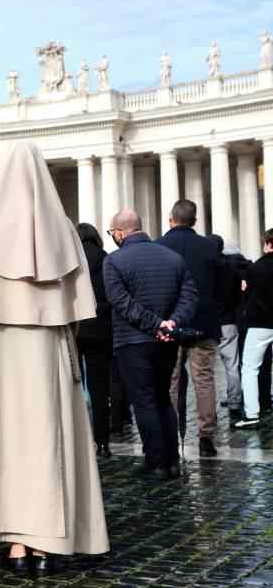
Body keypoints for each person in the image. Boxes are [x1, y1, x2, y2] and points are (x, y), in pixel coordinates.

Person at [0, 142, 108, 575]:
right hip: (46, 348)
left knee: (0, 441)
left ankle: (12, 541)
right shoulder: (61, 229)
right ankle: (46, 540)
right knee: (46, 439)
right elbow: (76, 307)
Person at [103, 209, 198, 479]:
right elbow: (189, 296)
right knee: (162, 399)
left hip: (133, 341)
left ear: (120, 232)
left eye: (113, 233)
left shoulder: (114, 261)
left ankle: (156, 462)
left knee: (144, 402)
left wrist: (154, 324)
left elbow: (122, 303)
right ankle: (172, 461)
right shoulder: (172, 257)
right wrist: (171, 323)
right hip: (166, 340)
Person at [156, 200, 221, 457]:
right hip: (203, 324)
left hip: (171, 324)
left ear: (171, 218)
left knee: (170, 382)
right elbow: (221, 284)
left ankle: (170, 433)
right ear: (195, 221)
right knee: (204, 381)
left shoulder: (160, 246)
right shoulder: (209, 247)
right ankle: (206, 438)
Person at [76, 223, 114, 457]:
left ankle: (77, 439)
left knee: (72, 386)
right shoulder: (106, 259)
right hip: (101, 329)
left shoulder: (71, 261)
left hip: (76, 329)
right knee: (100, 389)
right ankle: (102, 441)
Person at [237, 229, 273, 429]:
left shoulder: (256, 268)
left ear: (268, 243)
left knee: (250, 368)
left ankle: (252, 414)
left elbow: (248, 297)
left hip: (260, 322)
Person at [211, 235, 249, 425]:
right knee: (232, 365)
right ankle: (235, 404)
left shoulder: (206, 268)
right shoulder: (230, 268)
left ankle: (209, 410)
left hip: (209, 322)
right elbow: (236, 296)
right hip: (228, 320)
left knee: (204, 371)